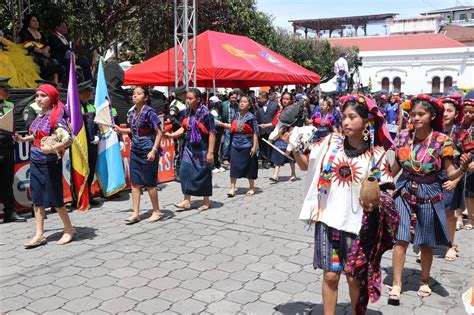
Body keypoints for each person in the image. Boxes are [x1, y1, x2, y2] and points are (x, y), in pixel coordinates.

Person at [293, 94, 397, 315]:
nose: (346, 122)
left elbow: (388, 192)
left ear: (366, 122)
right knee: (330, 275)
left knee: (353, 278)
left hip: (359, 226)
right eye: (344, 117)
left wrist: (375, 201)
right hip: (328, 220)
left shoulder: (376, 155)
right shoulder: (330, 144)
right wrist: (294, 146)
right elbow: (304, 166)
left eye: (352, 117)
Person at [388, 94, 471, 304]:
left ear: (431, 115)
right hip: (404, 190)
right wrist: (378, 172)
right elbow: (394, 169)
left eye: (420, 114)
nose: (415, 118)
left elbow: (450, 172)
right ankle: (397, 283)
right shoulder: (403, 137)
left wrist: (462, 167)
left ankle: (424, 280)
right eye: (413, 114)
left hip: (430, 192)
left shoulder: (443, 141)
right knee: (401, 239)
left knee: (425, 242)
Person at [14, 84, 75, 248]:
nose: (38, 99)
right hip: (35, 161)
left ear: (52, 98)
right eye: (37, 96)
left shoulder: (56, 116)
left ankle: (69, 229)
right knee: (37, 198)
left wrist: (52, 148)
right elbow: (36, 135)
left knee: (55, 198)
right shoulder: (41, 116)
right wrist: (24, 139)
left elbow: (69, 139)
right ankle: (39, 234)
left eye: (42, 96)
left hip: (49, 164)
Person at [113, 86, 163, 224]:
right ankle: (135, 213)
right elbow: (134, 129)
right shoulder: (133, 112)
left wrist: (154, 150)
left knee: (150, 183)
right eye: (134, 94)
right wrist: (120, 129)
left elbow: (159, 132)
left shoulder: (150, 112)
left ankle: (156, 211)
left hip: (148, 150)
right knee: (135, 182)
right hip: (135, 150)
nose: (135, 96)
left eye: (138, 94)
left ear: (145, 97)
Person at [165, 88, 216, 211]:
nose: (187, 100)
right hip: (189, 147)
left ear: (198, 99)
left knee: (203, 174)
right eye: (187, 98)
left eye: (190, 98)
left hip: (202, 148)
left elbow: (212, 133)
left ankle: (206, 201)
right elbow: (184, 128)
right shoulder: (187, 112)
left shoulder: (206, 114)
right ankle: (187, 200)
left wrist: (210, 152)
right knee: (185, 172)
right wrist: (172, 135)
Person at [439, 96, 470, 261]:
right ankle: (426, 245)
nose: (445, 114)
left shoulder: (461, 132)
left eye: (449, 111)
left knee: (449, 213)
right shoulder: (434, 130)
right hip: (433, 177)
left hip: (453, 177)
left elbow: (466, 159)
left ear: (456, 113)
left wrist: (456, 180)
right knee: (430, 212)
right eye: (443, 110)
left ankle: (450, 245)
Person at [218, 95, 259, 197]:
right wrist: (221, 124)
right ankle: (232, 188)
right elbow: (232, 126)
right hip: (236, 144)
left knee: (250, 166)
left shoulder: (251, 117)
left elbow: (255, 133)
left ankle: (251, 187)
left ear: (249, 105)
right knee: (234, 166)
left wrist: (254, 147)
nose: (241, 103)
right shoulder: (236, 115)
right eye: (241, 101)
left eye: (244, 102)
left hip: (247, 144)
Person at [0, 77, 27, 223]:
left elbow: (11, 124)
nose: (8, 91)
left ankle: (10, 213)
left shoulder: (9, 104)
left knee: (7, 181)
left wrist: (14, 133)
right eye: (5, 89)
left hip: (7, 147)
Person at [19, 14, 61, 85]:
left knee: (55, 61)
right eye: (33, 21)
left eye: (37, 21)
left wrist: (46, 50)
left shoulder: (41, 33)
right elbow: (28, 46)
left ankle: (56, 83)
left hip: (43, 54)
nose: (36, 23)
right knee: (44, 62)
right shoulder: (25, 33)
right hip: (31, 54)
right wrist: (42, 52)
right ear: (28, 22)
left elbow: (47, 44)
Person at [77, 80, 100, 206]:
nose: (90, 94)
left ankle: (88, 196)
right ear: (80, 93)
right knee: (81, 170)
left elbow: (96, 124)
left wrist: (97, 135)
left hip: (92, 144)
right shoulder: (74, 106)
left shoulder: (91, 106)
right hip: (80, 145)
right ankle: (78, 197)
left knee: (90, 169)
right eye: (88, 91)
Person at [270, 92, 297, 182]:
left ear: (291, 100)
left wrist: (291, 132)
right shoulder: (279, 112)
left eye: (287, 99)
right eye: (283, 99)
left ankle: (293, 173)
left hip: (291, 135)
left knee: (291, 156)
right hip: (279, 136)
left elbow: (298, 125)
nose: (285, 101)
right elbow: (274, 123)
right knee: (278, 154)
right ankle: (275, 175)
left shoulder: (295, 111)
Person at [167, 86, 187, 180]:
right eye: (185, 93)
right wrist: (182, 125)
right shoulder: (175, 104)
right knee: (179, 152)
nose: (186, 95)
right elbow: (172, 118)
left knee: (184, 151)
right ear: (180, 94)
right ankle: (177, 173)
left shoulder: (183, 103)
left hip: (184, 131)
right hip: (178, 132)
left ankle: (184, 171)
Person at [255, 91, 279, 169]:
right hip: (261, 129)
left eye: (259, 98)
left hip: (271, 129)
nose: (258, 100)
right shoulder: (257, 106)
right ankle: (265, 161)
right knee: (262, 146)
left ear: (265, 98)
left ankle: (272, 161)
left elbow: (278, 116)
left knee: (272, 145)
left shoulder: (275, 105)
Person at [461, 97, 474, 230]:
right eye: (466, 111)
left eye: (471, 111)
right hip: (465, 158)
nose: (468, 114)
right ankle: (469, 218)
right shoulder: (460, 126)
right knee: (468, 192)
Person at [220, 91, 239, 167]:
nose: (234, 99)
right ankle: (225, 159)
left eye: (235, 97)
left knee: (233, 143)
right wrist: (223, 125)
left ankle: (231, 158)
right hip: (226, 126)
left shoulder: (237, 105)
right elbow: (220, 115)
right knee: (226, 144)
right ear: (229, 97)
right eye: (232, 97)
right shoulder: (224, 104)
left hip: (235, 127)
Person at [209, 95, 225, 172]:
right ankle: (212, 165)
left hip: (219, 132)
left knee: (216, 149)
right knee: (213, 149)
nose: (218, 104)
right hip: (213, 132)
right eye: (216, 103)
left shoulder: (218, 111)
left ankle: (217, 163)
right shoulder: (211, 112)